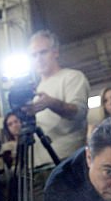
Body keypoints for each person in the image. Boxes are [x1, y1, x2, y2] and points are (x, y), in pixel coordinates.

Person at [21, 29, 90, 166]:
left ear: (55, 52)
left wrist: (52, 103)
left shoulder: (72, 77)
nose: (38, 59)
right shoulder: (35, 90)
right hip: (39, 163)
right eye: (33, 55)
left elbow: (79, 112)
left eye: (43, 52)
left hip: (67, 159)